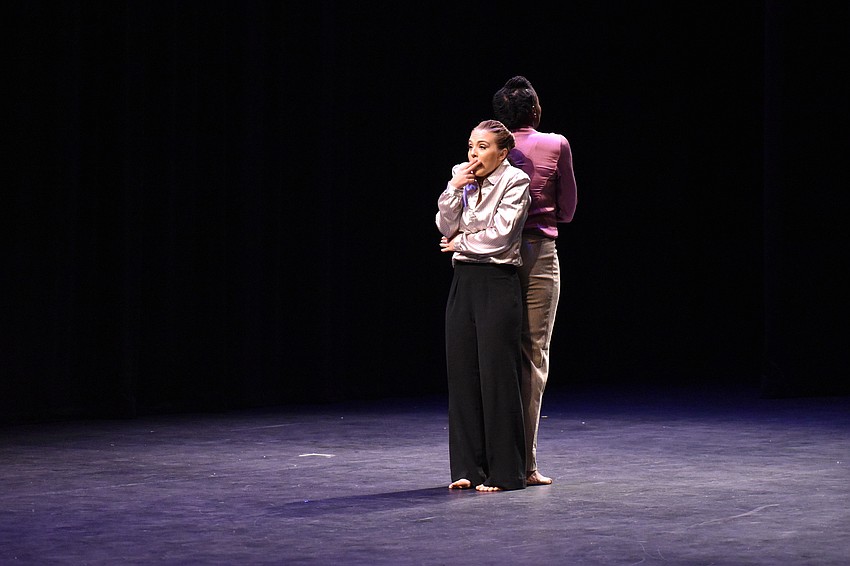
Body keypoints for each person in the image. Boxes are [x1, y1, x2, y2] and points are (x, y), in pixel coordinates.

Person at [436, 119, 531, 492]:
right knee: (462, 374)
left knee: (496, 376)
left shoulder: (515, 181)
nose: (474, 155)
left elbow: (501, 237)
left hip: (496, 281)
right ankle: (467, 468)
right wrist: (452, 190)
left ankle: (505, 472)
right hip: (464, 281)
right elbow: (446, 226)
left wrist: (461, 242)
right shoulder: (461, 176)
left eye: (483, 147)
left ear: (503, 152)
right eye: (471, 146)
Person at [492, 76, 578, 486]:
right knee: (532, 357)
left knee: (493, 356)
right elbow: (568, 210)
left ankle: (490, 459)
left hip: (491, 258)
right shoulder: (556, 144)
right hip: (536, 254)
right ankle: (524, 463)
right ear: (536, 111)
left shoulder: (490, 147)